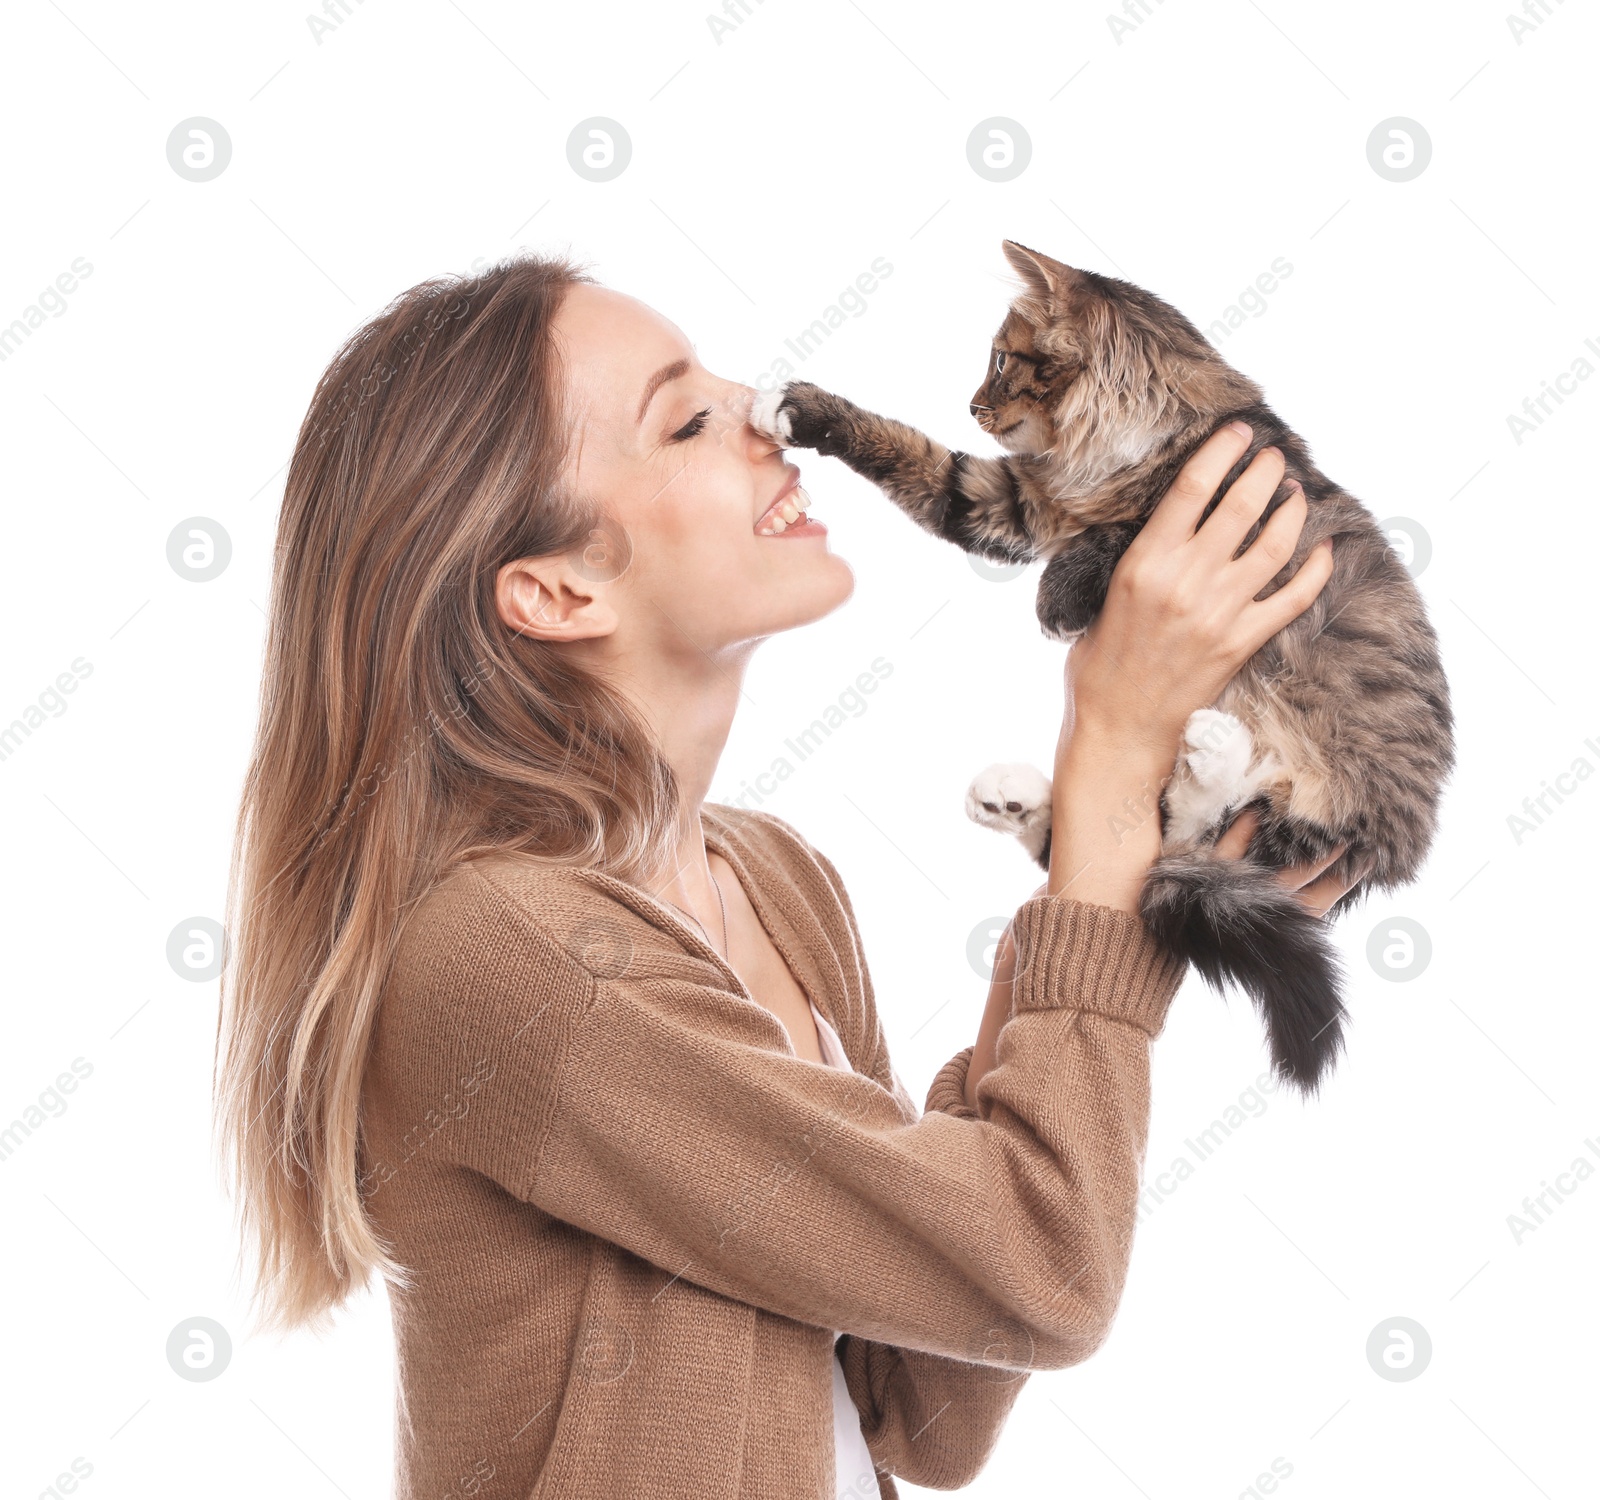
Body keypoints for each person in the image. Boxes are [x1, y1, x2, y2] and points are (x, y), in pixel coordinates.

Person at [215, 251, 1356, 1499]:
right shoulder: (511, 951)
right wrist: (1111, 762)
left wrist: (1121, 879)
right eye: (687, 418)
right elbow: (1038, 1271)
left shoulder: (773, 880)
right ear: (554, 586)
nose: (762, 414)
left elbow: (921, 1400)